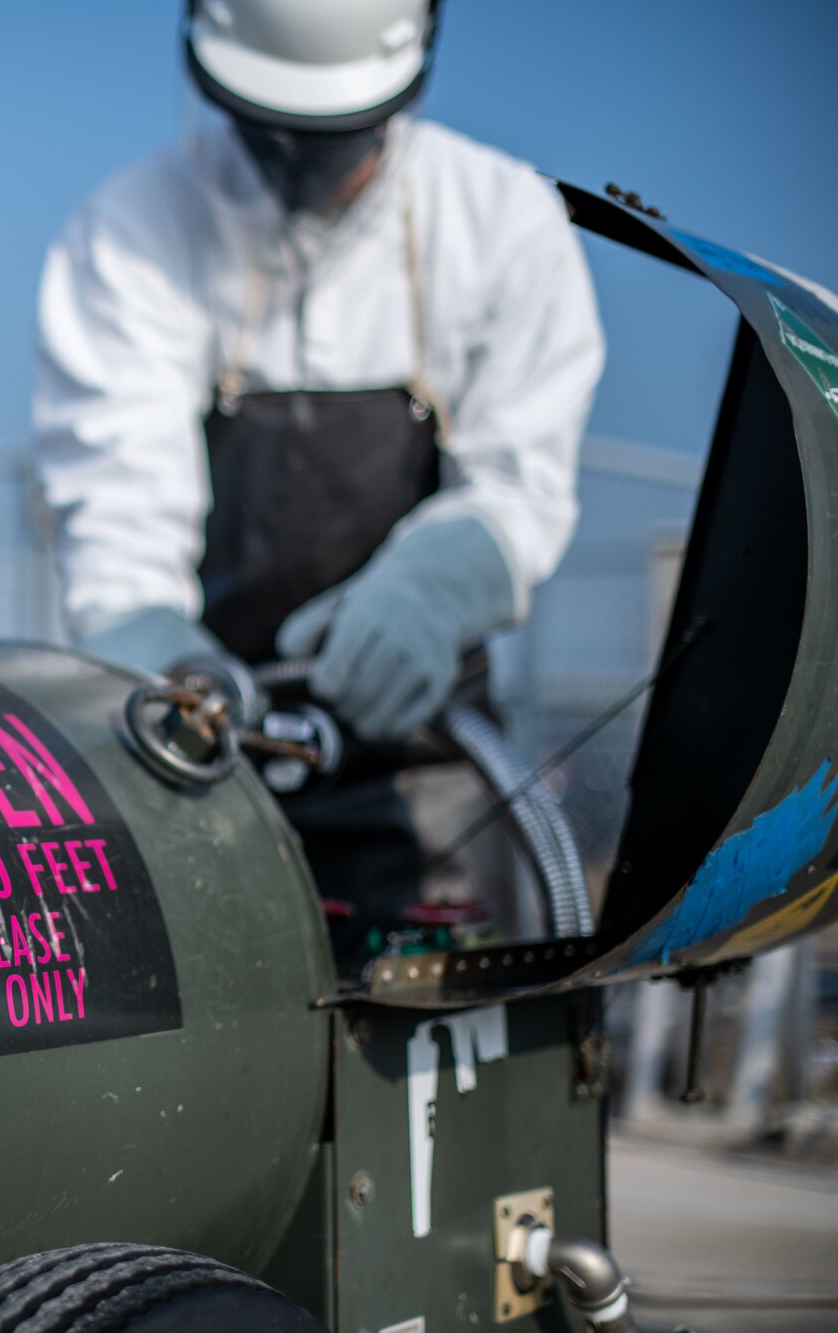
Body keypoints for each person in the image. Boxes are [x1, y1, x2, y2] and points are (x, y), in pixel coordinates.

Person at [34, 0, 604, 956]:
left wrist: (435, 584)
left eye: (327, 136)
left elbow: (521, 480)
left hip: (431, 765)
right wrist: (156, 648)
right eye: (269, 133)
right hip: (211, 751)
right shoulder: (135, 229)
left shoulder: (500, 222)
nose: (296, 163)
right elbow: (118, 492)